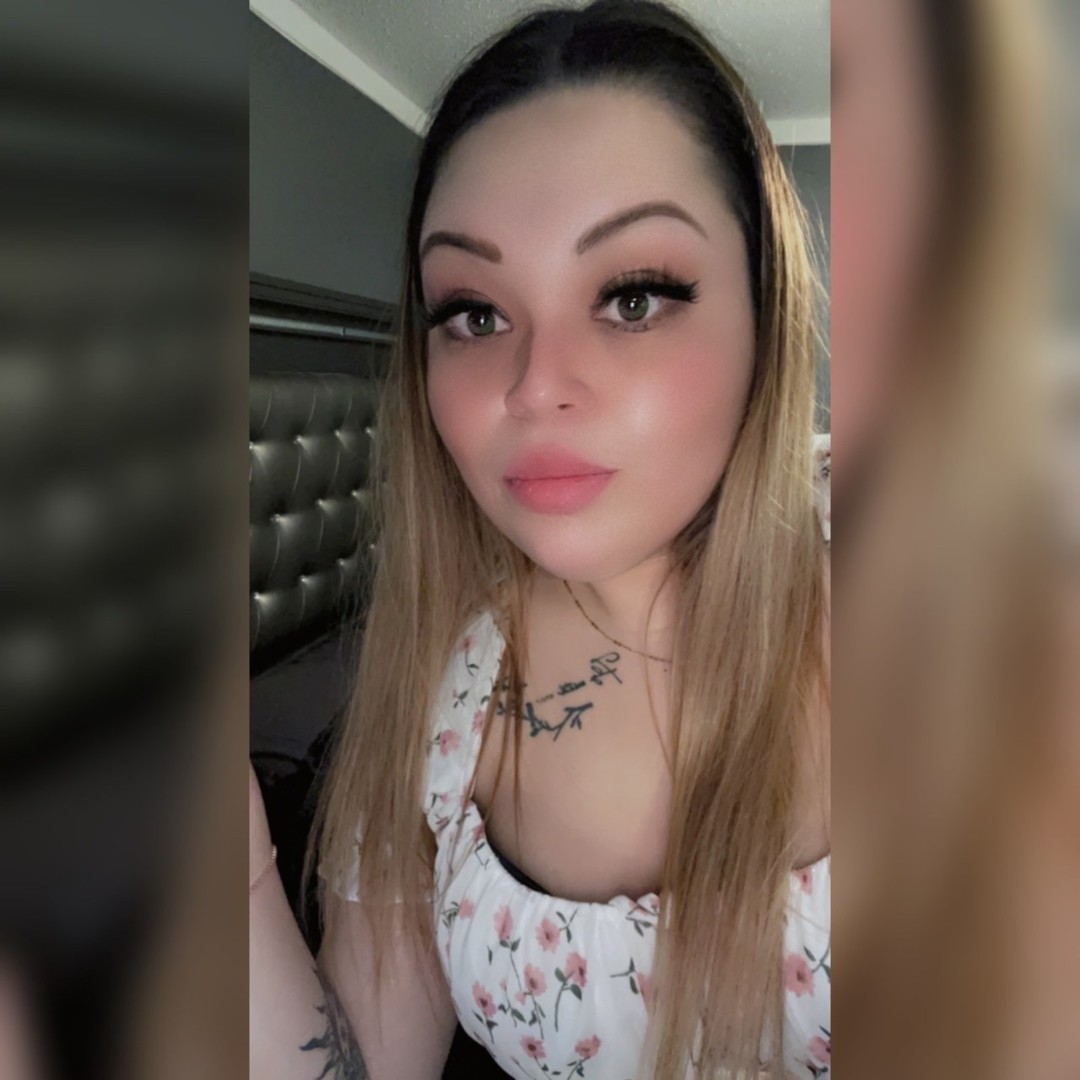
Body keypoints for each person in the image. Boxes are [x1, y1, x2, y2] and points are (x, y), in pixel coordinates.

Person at [250, 2, 830, 1077]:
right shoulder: (434, 692)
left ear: (765, 312)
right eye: (475, 314)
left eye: (634, 297)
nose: (534, 384)